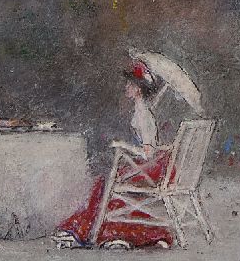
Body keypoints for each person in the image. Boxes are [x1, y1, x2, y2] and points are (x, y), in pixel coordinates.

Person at [53, 62, 174, 249]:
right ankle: (87, 230)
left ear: (139, 90)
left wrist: (123, 146)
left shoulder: (143, 115)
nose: (126, 87)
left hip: (150, 169)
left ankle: (97, 232)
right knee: (104, 182)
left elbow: (149, 152)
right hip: (147, 167)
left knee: (105, 183)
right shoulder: (140, 111)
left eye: (130, 84)